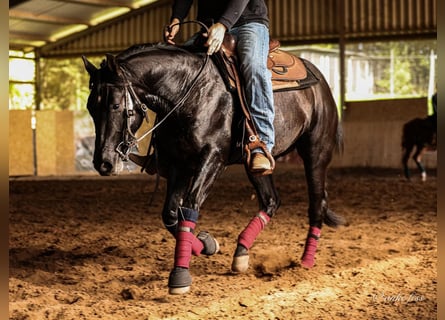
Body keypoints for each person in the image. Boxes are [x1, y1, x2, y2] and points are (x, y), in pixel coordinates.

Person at [167, 0, 275, 173]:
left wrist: (223, 24)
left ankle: (261, 145)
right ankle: (166, 146)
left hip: (248, 23)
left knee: (254, 67)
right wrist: (176, 19)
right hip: (209, 27)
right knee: (176, 67)